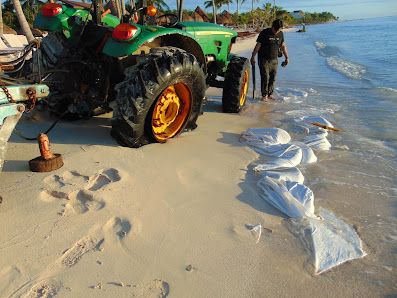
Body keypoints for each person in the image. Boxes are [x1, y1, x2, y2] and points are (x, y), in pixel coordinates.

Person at [251, 19, 289, 101]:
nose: (277, 32)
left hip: (274, 59)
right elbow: (258, 45)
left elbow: (283, 46)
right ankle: (264, 95)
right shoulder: (264, 33)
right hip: (263, 59)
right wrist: (253, 56)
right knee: (265, 77)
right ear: (272, 26)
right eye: (276, 30)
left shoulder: (281, 34)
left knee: (273, 77)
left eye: (279, 30)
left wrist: (287, 57)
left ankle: (270, 94)